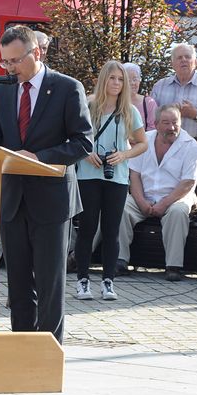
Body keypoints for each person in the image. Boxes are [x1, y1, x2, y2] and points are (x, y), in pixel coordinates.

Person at [0, 25, 92, 343]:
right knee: (17, 282)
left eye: (15, 61)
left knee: (49, 282)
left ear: (37, 53)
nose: (10, 68)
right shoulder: (3, 90)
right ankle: (21, 348)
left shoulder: (68, 88)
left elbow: (83, 143)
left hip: (52, 201)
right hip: (13, 199)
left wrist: (38, 156)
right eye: (6, 62)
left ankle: (47, 351)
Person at [74, 60, 147, 301]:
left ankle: (108, 282)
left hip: (116, 177)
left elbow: (142, 143)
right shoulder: (88, 105)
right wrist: (87, 152)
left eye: (120, 79)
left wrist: (124, 154)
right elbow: (73, 137)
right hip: (88, 175)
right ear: (103, 79)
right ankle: (82, 281)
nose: (116, 83)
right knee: (87, 228)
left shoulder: (129, 111)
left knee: (111, 229)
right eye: (112, 78)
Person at [116, 104, 197, 281]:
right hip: (145, 195)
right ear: (155, 124)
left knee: (178, 213)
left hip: (177, 196)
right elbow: (135, 175)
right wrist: (140, 201)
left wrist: (164, 203)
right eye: (166, 122)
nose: (171, 127)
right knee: (121, 207)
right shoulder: (145, 140)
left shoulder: (190, 145)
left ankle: (173, 266)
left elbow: (188, 182)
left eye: (175, 122)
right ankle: (120, 260)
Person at [151, 44, 197, 159]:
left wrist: (195, 115)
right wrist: (167, 112)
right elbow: (151, 121)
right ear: (172, 64)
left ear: (196, 62)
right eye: (179, 57)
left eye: (187, 57)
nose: (184, 60)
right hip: (165, 145)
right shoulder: (160, 86)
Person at [124, 62, 156, 132]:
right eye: (128, 80)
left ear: (139, 81)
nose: (132, 83)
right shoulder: (114, 101)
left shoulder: (148, 103)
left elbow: (153, 131)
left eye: (135, 79)